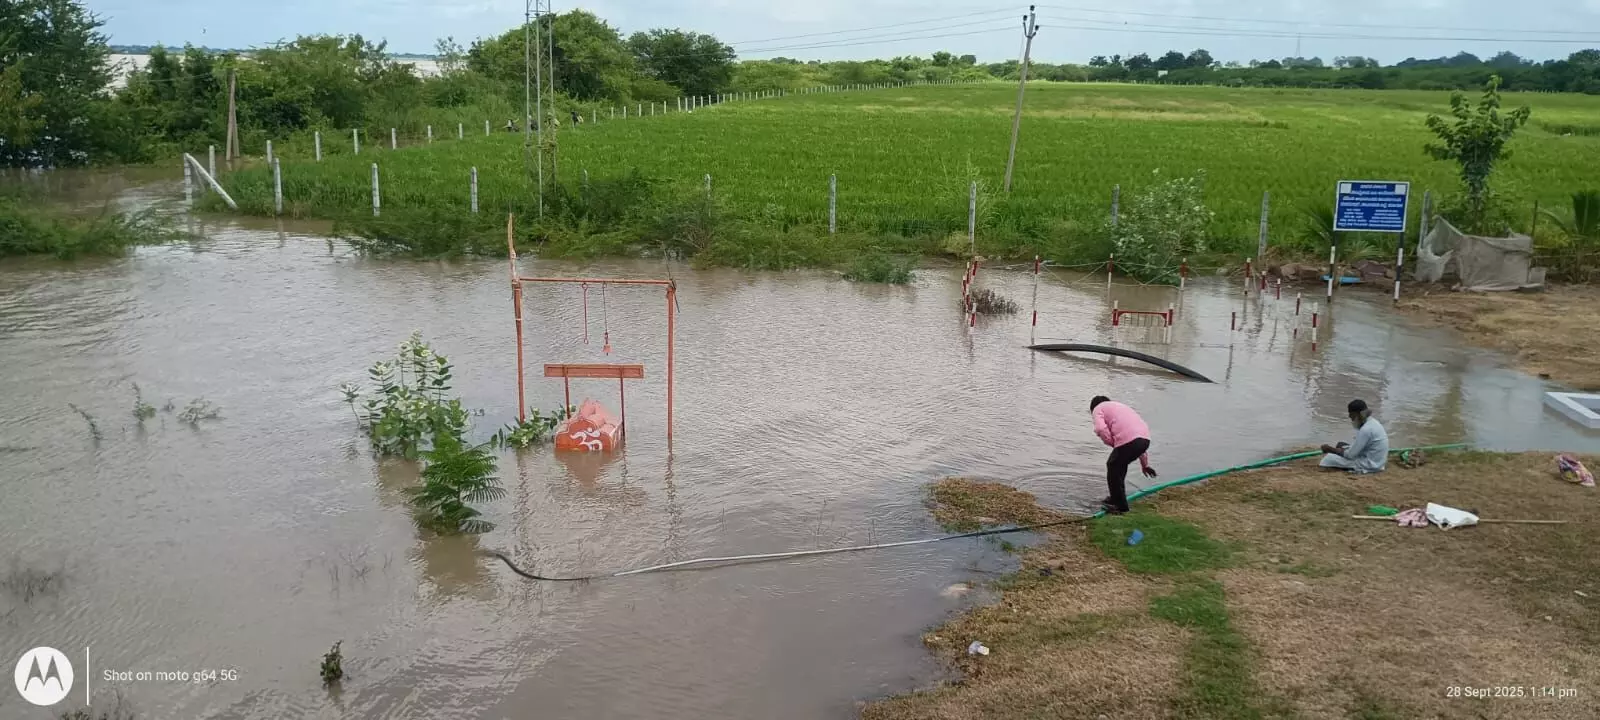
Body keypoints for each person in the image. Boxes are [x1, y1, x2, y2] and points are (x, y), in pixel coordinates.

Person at [1090, 396, 1157, 515]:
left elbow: (1100, 429)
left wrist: (1113, 443)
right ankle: (1116, 499)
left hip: (1129, 441)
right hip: (1145, 439)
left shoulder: (1098, 408)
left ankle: (1121, 507)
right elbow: (1136, 436)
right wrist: (1145, 465)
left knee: (1113, 465)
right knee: (1119, 465)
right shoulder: (1119, 407)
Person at [1320, 399, 1389, 473]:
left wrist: (1330, 449)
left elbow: (1350, 455)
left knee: (1328, 459)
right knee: (1340, 444)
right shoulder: (1373, 423)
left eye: (1352, 417)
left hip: (1370, 464)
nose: (1352, 420)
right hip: (1378, 461)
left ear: (1358, 415)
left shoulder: (1366, 429)